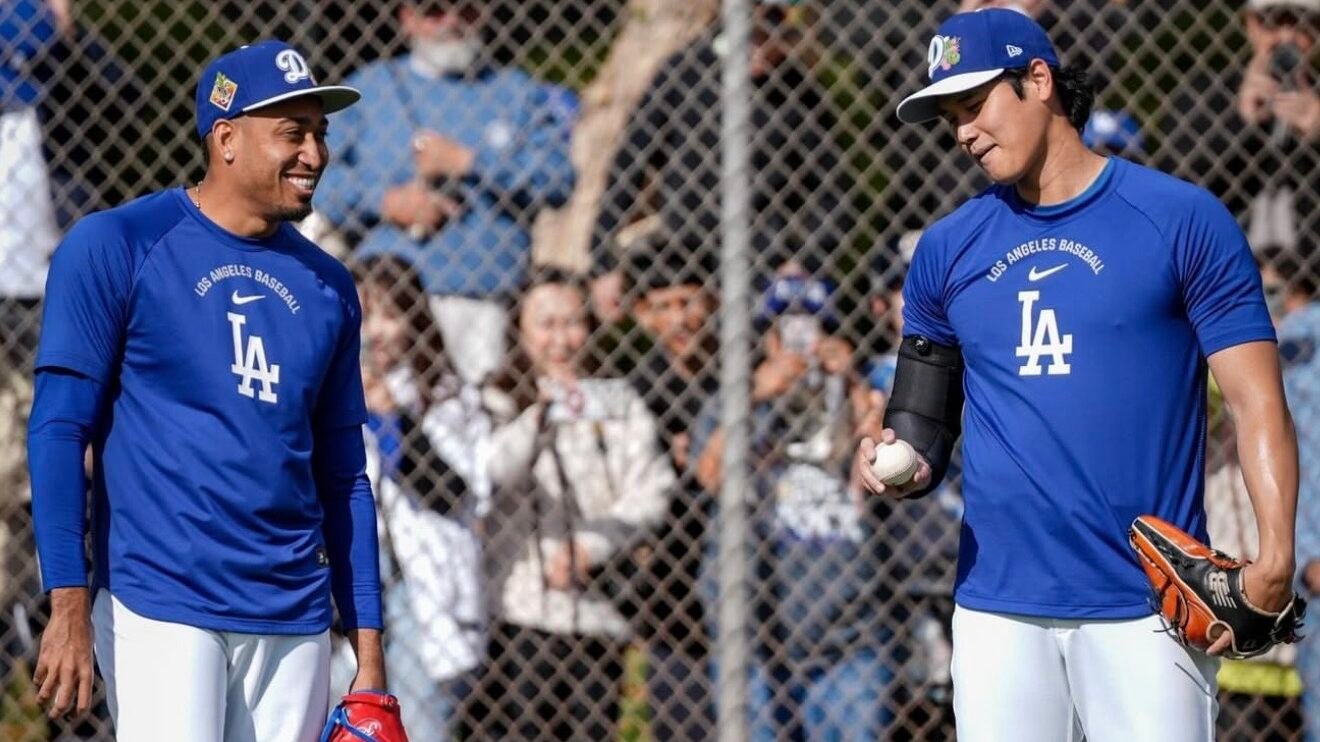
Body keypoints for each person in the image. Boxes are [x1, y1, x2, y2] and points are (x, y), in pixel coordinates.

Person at [855, 9, 1300, 741]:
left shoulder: (1182, 220)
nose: (963, 132)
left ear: (1039, 80)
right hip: (996, 606)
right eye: (949, 115)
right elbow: (920, 426)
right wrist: (893, 464)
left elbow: (1257, 403)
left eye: (975, 105)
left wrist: (1276, 555)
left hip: (1149, 605)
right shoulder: (946, 250)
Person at [27, 41, 387, 741]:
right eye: (293, 133)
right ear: (225, 137)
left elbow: (346, 474)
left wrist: (368, 651)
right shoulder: (118, 244)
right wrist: (67, 604)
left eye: (321, 134)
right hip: (160, 600)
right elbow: (58, 431)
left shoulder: (329, 287)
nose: (315, 153)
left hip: (295, 613)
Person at [315, 0, 577, 385]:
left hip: (489, 302)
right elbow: (314, 178)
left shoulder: (517, 94)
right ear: (407, 18)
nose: (452, 23)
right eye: (435, 11)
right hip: (390, 313)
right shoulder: (368, 92)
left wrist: (470, 162)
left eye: (467, 10)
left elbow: (558, 179)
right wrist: (387, 202)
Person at [470, 269, 674, 741]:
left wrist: (589, 547)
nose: (561, 339)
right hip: (518, 610)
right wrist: (539, 414)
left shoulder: (618, 400)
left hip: (598, 614)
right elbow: (489, 474)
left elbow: (653, 488)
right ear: (520, 331)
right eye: (546, 324)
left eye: (573, 322)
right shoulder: (497, 398)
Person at [693, 266, 891, 741]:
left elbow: (884, 465)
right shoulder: (735, 402)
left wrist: (852, 384)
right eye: (785, 328)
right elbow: (710, 474)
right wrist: (759, 394)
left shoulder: (856, 396)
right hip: (753, 640)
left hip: (848, 639)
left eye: (813, 325)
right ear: (766, 340)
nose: (800, 340)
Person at [589, 0, 852, 318]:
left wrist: (805, 258)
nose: (763, 47)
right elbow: (629, 163)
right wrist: (604, 262)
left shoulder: (798, 93)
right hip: (684, 251)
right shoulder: (684, 73)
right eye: (754, 34)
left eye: (775, 34)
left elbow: (833, 191)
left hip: (762, 257)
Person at [347, 255, 490, 738]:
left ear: (415, 319)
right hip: (348, 589)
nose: (376, 332)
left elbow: (452, 492)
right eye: (364, 315)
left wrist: (389, 418)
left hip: (418, 593)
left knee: (420, 726)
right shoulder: (326, 396)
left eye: (390, 314)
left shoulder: (446, 397)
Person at [621, 247, 721, 739]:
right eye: (663, 306)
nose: (679, 318)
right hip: (671, 586)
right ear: (643, 316)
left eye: (688, 301)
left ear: (713, 303)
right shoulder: (637, 392)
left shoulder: (734, 378)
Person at [1158, 0, 1317, 253]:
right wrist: (1238, 119)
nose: (1287, 37)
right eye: (1274, 21)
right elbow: (1172, 187)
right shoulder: (1208, 92)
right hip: (1216, 269)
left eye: (1302, 24)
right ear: (1251, 24)